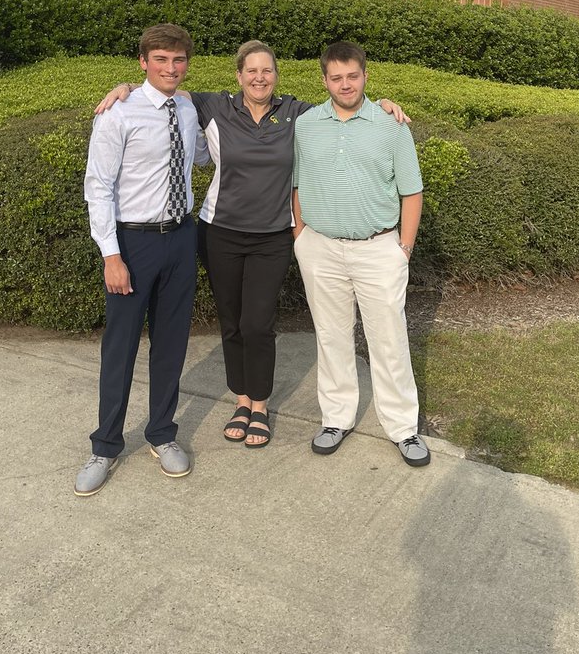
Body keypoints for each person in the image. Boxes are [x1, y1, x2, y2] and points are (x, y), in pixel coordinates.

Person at [95, 42, 407, 448]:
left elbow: (342, 105)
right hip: (219, 232)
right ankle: (241, 401)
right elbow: (170, 91)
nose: (259, 77)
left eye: (267, 70)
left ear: (276, 75)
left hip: (273, 236)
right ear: (239, 75)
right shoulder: (216, 107)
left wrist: (380, 104)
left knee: (258, 324)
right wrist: (126, 88)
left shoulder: (297, 113)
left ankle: (260, 405)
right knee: (232, 322)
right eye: (251, 71)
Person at [74, 24, 210, 497]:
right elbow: (98, 188)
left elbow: (201, 155)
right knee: (121, 347)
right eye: (161, 60)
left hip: (181, 237)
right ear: (143, 62)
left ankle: (162, 434)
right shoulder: (119, 113)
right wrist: (111, 255)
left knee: (171, 343)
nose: (171, 68)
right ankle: (105, 445)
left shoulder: (189, 107)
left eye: (178, 60)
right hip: (133, 243)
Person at [292, 41, 429, 467]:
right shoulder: (306, 125)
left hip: (379, 249)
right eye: (336, 77)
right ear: (324, 80)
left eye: (353, 76)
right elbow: (296, 185)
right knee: (331, 337)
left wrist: (403, 248)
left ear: (365, 76)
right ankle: (336, 418)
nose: (345, 84)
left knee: (388, 340)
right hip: (320, 249)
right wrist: (300, 237)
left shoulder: (392, 126)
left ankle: (404, 428)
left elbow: (412, 190)